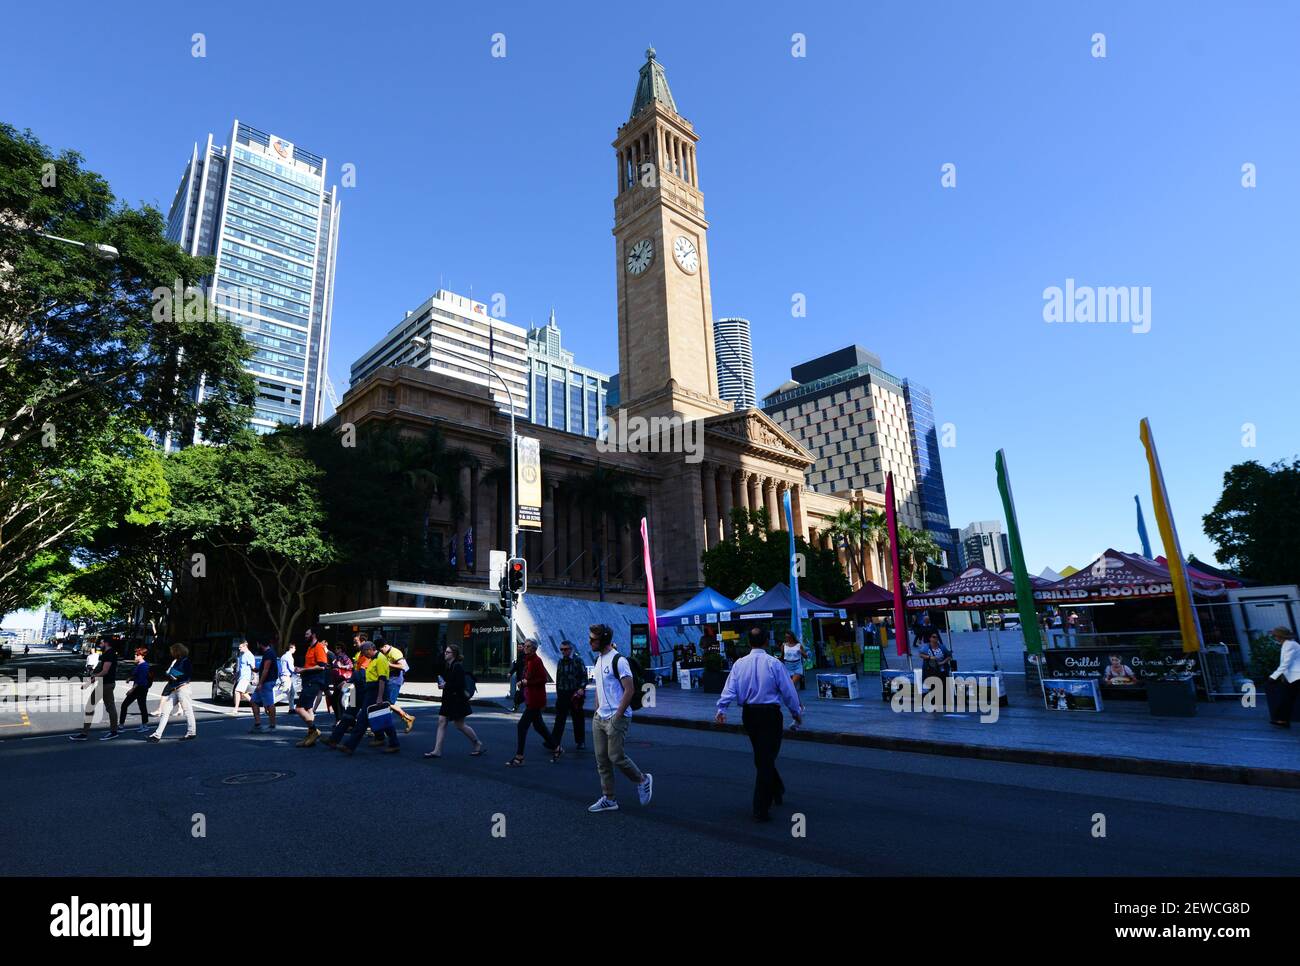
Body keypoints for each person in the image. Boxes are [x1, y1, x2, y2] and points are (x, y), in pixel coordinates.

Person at [715, 626, 804, 822]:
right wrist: (796, 713)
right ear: (766, 642)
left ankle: (777, 788)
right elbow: (788, 691)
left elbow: (729, 688)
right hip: (770, 715)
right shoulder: (774, 664)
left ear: (749, 642)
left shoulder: (739, 664)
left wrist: (722, 709)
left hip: (750, 715)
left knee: (762, 756)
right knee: (766, 758)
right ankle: (760, 807)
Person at [586, 623, 652, 812]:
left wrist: (618, 715)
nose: (589, 642)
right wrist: (596, 711)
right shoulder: (598, 660)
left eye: (593, 639)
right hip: (600, 718)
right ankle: (609, 798)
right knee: (602, 761)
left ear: (603, 640)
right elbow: (600, 688)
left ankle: (642, 779)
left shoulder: (619, 661)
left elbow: (629, 690)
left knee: (615, 756)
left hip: (617, 716)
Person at [424, 644, 486, 758]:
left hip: (457, 701)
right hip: (448, 699)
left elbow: (459, 684)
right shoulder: (448, 665)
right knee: (442, 722)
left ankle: (477, 742)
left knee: (460, 725)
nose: (445, 654)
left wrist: (445, 685)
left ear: (454, 654)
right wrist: (444, 684)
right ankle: (437, 750)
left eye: (448, 652)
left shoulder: (457, 667)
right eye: (445, 652)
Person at [339, 640, 399, 755]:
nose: (364, 655)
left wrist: (380, 697)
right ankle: (393, 743)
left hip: (377, 692)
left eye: (365, 653)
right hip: (371, 691)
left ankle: (350, 746)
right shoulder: (374, 659)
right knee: (382, 719)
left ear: (369, 650)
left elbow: (382, 679)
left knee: (363, 719)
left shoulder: (380, 659)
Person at [508, 639, 557, 766]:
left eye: (528, 646)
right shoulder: (528, 660)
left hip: (536, 699)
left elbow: (543, 679)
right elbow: (529, 676)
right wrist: (523, 681)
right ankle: (557, 748)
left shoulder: (536, 661)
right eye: (525, 645)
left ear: (534, 649)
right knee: (538, 726)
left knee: (522, 726)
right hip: (531, 698)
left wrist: (526, 682)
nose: (525, 647)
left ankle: (519, 757)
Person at [70, 637, 120, 741]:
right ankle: (114, 731)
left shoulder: (109, 654)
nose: (99, 644)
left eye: (101, 642)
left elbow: (105, 671)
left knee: (90, 706)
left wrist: (89, 682)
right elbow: (106, 670)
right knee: (110, 708)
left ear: (106, 643)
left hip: (105, 685)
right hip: (108, 683)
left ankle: (84, 734)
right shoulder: (111, 653)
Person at [148, 644, 196, 742]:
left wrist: (176, 676)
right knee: (165, 711)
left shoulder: (186, 661)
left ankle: (191, 732)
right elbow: (175, 673)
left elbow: (188, 675)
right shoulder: (177, 661)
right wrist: (171, 675)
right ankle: (157, 734)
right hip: (175, 688)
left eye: (173, 651)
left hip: (183, 688)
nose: (171, 653)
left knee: (187, 711)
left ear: (177, 651)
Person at [549, 639, 589, 757]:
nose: (563, 652)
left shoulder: (578, 661)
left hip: (575, 694)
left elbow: (584, 677)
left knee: (577, 718)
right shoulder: (561, 662)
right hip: (563, 693)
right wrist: (558, 693)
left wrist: (581, 688)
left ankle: (580, 741)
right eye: (561, 649)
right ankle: (554, 741)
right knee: (559, 719)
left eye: (565, 649)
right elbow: (558, 678)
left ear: (571, 649)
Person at [294, 630, 331, 747]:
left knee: (299, 708)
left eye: (307, 634)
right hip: (308, 681)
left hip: (314, 681)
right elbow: (310, 665)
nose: (305, 636)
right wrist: (301, 669)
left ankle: (314, 730)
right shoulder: (310, 648)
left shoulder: (319, 647)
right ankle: (311, 735)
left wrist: (303, 670)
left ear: (314, 635)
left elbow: (322, 666)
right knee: (309, 709)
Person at [377, 637, 416, 734]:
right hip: (389, 679)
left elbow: (403, 666)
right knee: (387, 703)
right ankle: (407, 718)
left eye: (381, 649)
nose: (380, 651)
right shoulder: (384, 652)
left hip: (395, 679)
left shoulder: (395, 652)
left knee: (388, 703)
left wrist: (389, 665)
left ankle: (407, 718)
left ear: (385, 646)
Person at [1267, 625, 1300, 728]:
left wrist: (1274, 676)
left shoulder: (1289, 645)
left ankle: (1282, 720)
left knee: (1287, 698)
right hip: (1294, 676)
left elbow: (1286, 663)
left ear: (1280, 636)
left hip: (1296, 676)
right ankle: (1282, 720)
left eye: (1275, 636)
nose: (1274, 638)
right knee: (1288, 698)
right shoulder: (1289, 644)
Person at [120, 647, 153, 732]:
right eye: (135, 654)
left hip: (141, 688)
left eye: (137, 655)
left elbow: (141, 680)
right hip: (140, 687)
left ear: (142, 656)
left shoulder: (144, 666)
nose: (135, 656)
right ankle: (144, 725)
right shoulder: (139, 665)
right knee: (142, 706)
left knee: (126, 705)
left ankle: (121, 725)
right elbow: (136, 675)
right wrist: (130, 678)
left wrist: (131, 690)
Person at [250, 641, 279, 733]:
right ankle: (258, 723)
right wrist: (258, 669)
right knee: (253, 700)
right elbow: (265, 668)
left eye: (258, 643)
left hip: (267, 682)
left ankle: (272, 725)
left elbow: (266, 670)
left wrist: (260, 683)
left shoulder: (269, 653)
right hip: (266, 681)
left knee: (269, 703)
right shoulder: (268, 653)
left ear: (260, 644)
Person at [232, 640, 255, 713]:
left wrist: (254, 677)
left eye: (240, 647)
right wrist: (237, 675)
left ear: (245, 646)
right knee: (244, 693)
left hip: (245, 677)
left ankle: (236, 709)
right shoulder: (243, 655)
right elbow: (242, 667)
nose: (239, 648)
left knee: (237, 691)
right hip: (241, 677)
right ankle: (254, 705)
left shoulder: (249, 655)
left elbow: (253, 667)